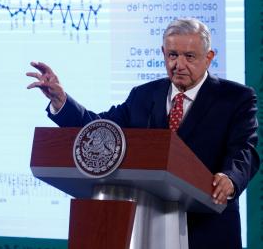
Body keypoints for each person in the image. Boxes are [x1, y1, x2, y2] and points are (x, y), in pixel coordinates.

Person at [26, 18, 259, 249]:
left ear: (209, 58)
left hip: (207, 231)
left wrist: (230, 178)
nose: (178, 64)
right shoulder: (143, 95)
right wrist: (61, 101)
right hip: (146, 229)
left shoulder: (236, 98)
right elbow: (100, 130)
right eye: (172, 55)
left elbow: (244, 151)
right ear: (163, 53)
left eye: (189, 57)